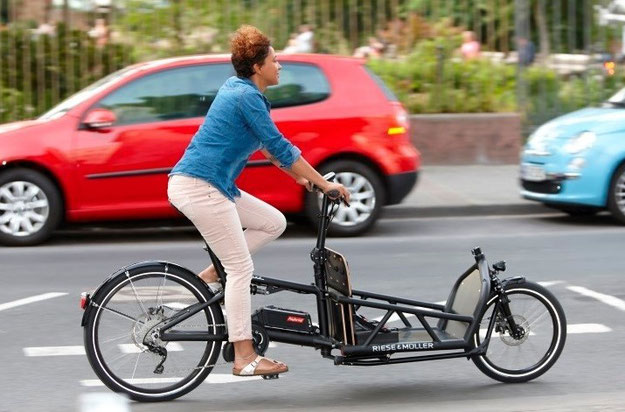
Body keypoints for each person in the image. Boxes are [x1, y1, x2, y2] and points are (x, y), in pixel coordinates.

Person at [167, 25, 350, 377]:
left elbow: (268, 148)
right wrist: (321, 182)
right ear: (257, 66)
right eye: (275, 60)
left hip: (210, 184)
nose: (280, 65)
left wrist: (299, 177)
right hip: (201, 186)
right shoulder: (245, 96)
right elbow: (280, 145)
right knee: (241, 269)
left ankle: (211, 276)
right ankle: (245, 357)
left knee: (272, 222)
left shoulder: (242, 91)